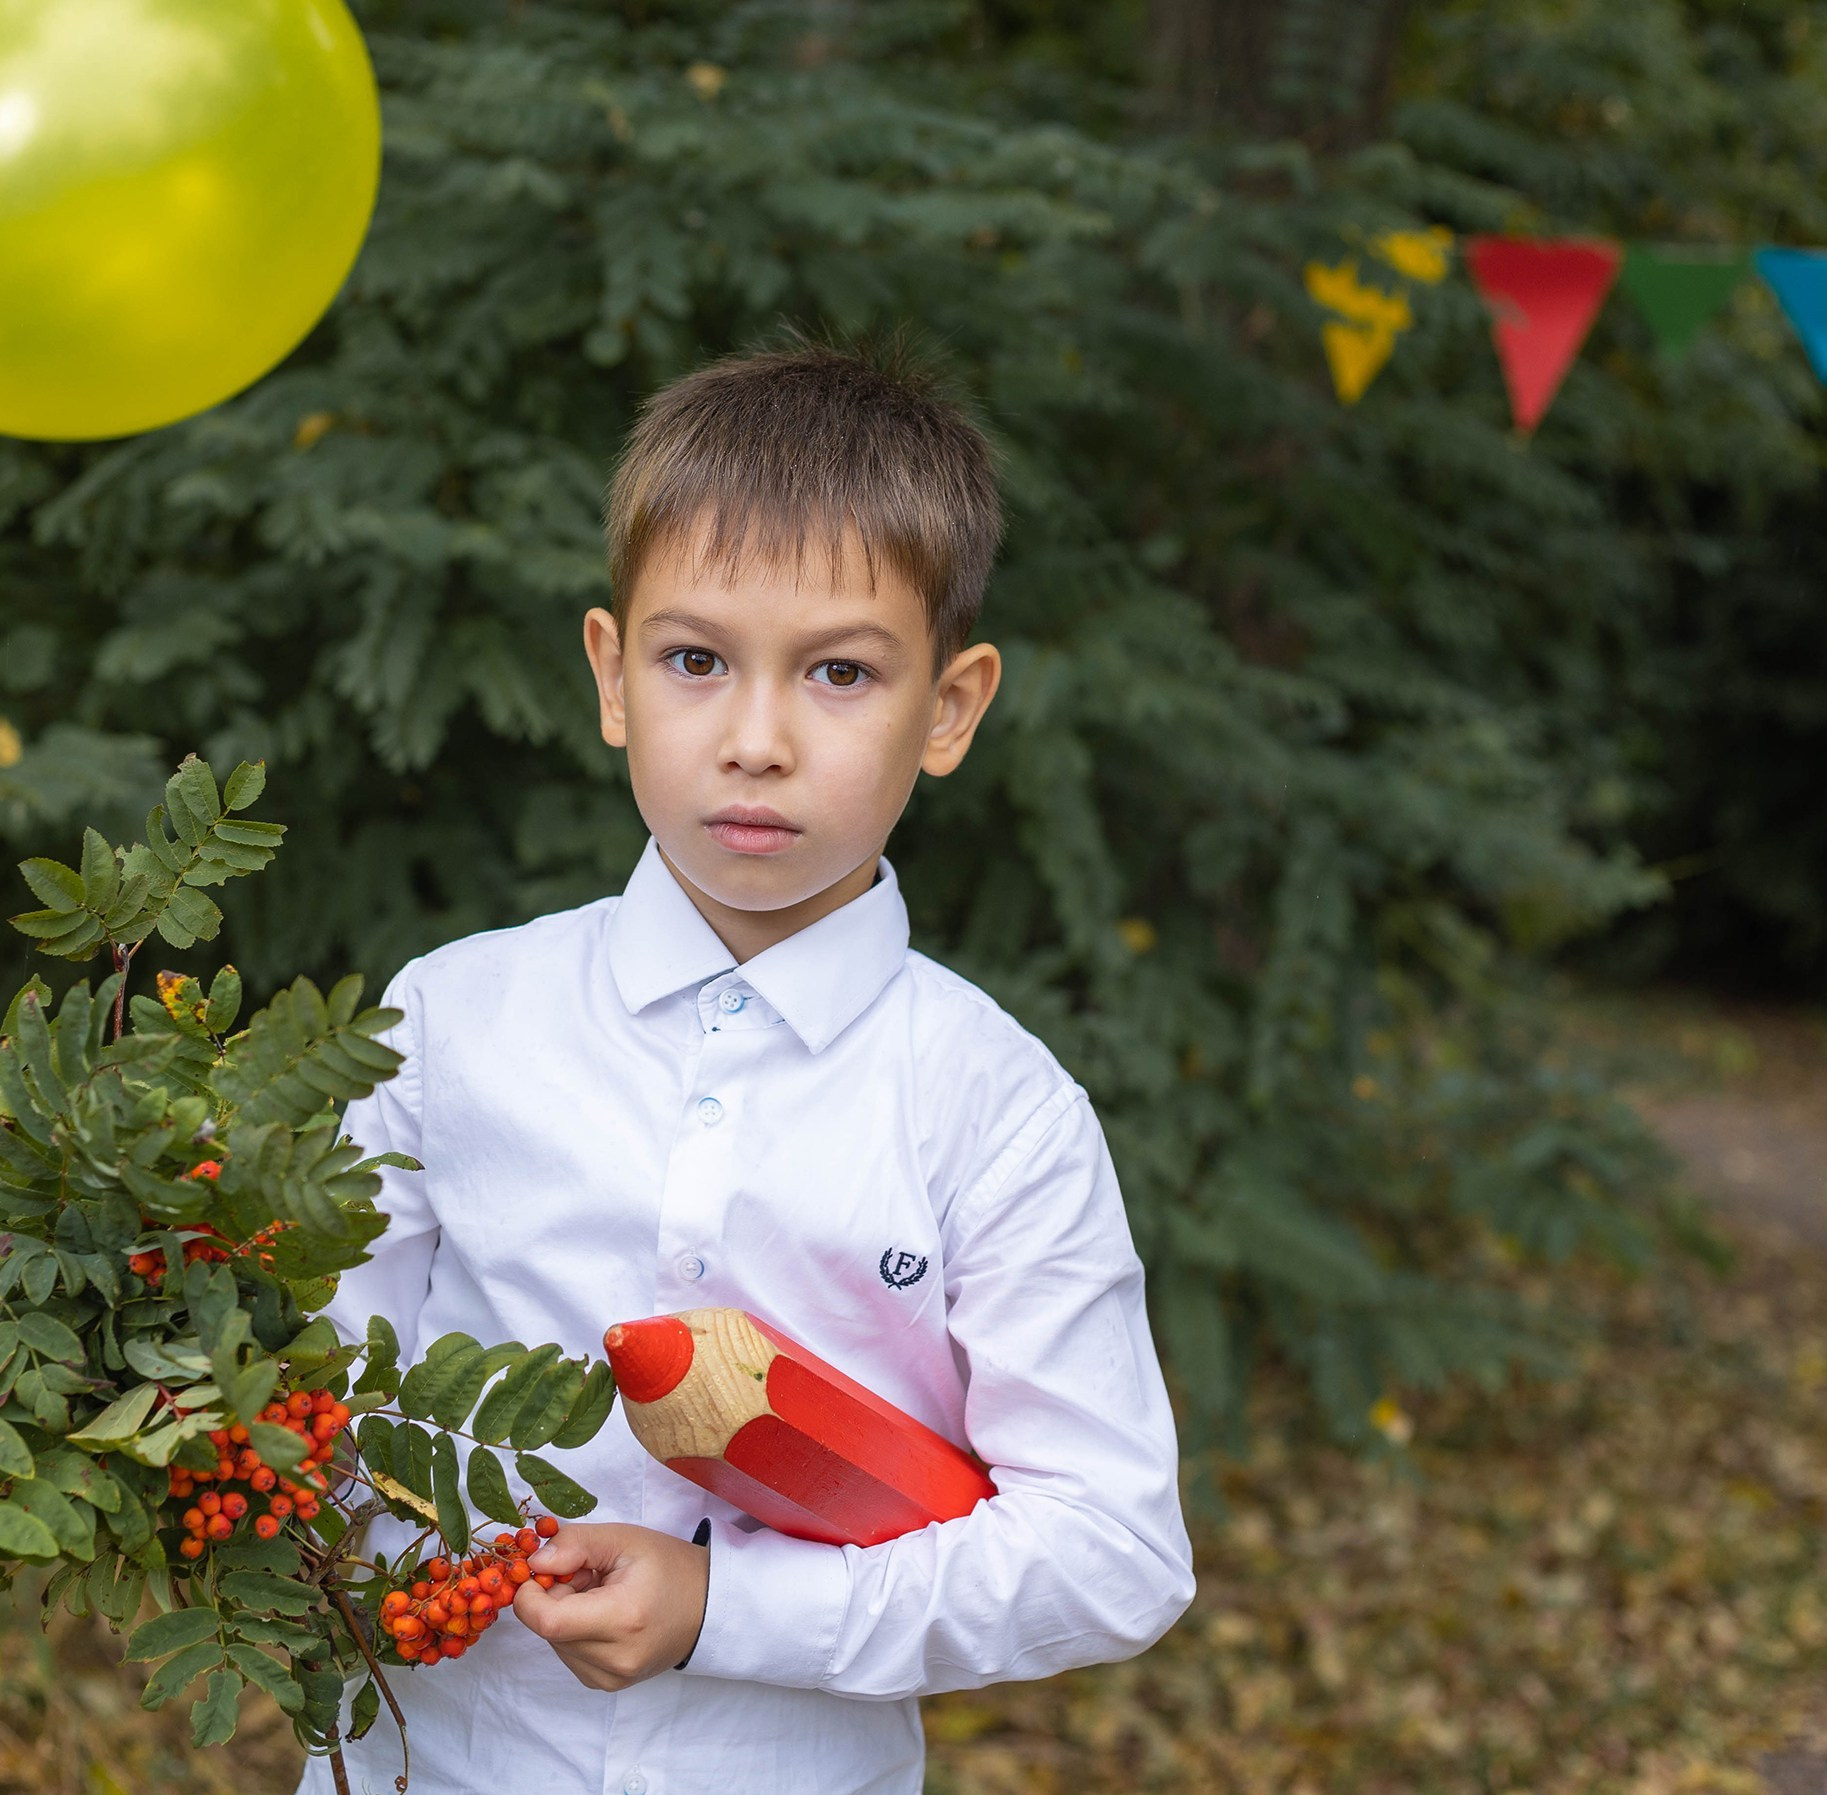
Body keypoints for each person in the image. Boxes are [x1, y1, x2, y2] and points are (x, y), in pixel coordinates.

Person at [306, 341, 1193, 1795]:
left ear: (952, 708)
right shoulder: (448, 1021)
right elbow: (299, 1410)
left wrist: (731, 1609)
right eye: (695, 661)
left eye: (839, 672)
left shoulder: (993, 1108)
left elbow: (1109, 1549)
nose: (757, 740)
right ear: (611, 674)